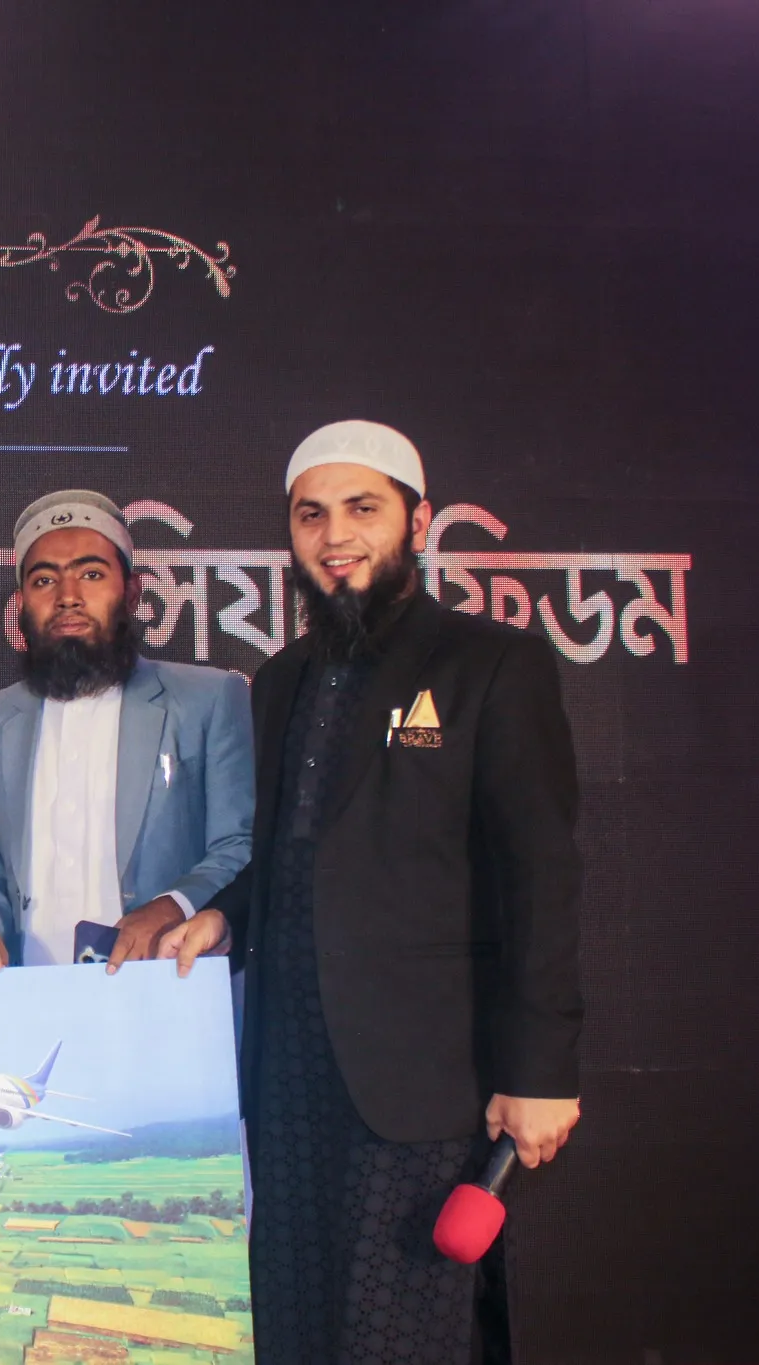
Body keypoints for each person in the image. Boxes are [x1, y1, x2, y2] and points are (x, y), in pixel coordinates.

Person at [159, 420, 583, 1363]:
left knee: (401, 1334)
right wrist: (221, 913)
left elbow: (541, 873)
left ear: (418, 523)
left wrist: (541, 1069)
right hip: (289, 1076)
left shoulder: (489, 664)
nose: (335, 534)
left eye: (362, 508)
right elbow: (288, 853)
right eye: (311, 515)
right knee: (295, 1326)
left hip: (422, 1085)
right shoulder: (279, 680)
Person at [0, 489, 255, 975]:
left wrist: (173, 906)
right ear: (20, 604)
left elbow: (240, 845)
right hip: (23, 993)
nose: (68, 596)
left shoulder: (208, 700)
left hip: (164, 981)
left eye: (91, 574)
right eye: (45, 580)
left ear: (131, 591)